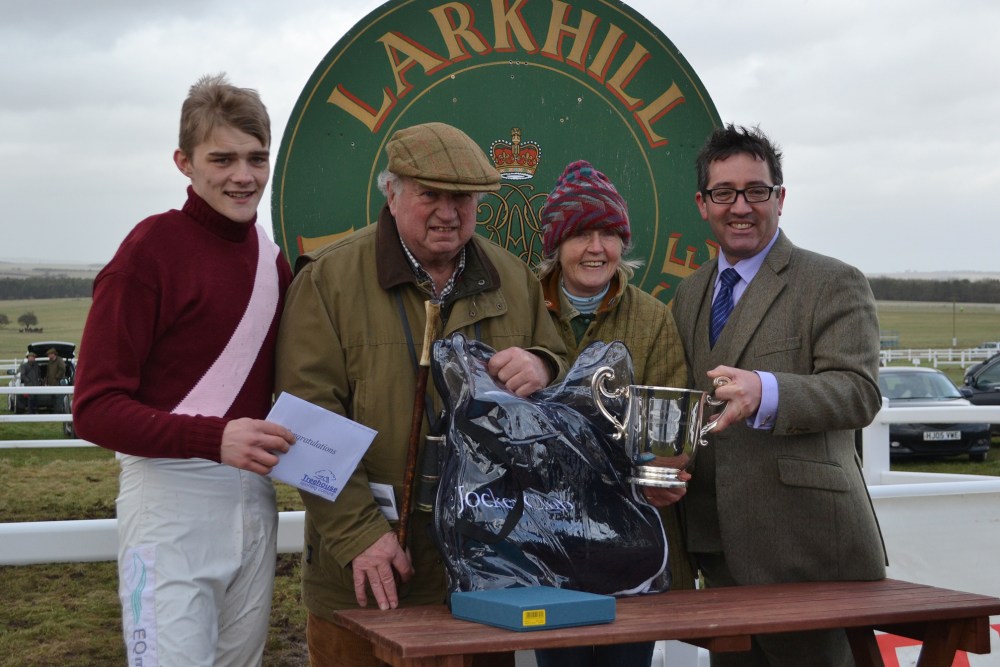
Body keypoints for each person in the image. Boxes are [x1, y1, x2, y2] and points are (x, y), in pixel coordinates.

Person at [274, 121, 568, 667]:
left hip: (484, 578)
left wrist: (544, 366)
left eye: (463, 198)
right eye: (429, 193)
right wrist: (362, 536)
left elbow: (564, 377)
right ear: (391, 193)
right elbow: (305, 423)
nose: (447, 212)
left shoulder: (515, 280)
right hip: (364, 577)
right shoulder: (329, 281)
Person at [72, 73, 295, 667]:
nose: (242, 176)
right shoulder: (149, 250)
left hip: (253, 497)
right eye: (221, 159)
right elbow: (93, 408)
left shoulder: (274, 262)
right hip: (167, 499)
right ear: (184, 162)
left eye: (255, 158)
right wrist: (213, 436)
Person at [671, 123, 887, 666]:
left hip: (809, 551)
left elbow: (859, 392)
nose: (740, 206)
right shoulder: (689, 293)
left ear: (780, 199)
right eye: (724, 193)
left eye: (756, 191)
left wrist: (765, 391)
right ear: (703, 204)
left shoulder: (833, 281)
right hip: (717, 552)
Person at [533, 160, 693, 667]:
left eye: (608, 233)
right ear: (557, 244)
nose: (596, 248)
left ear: (623, 243)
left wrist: (665, 468)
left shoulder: (651, 316)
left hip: (629, 538)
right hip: (545, 537)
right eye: (581, 233)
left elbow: (671, 425)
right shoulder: (522, 308)